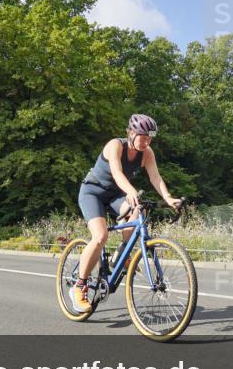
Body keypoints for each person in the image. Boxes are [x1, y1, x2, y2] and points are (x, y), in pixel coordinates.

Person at [71, 114, 182, 312]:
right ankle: (79, 287)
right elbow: (117, 173)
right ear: (131, 133)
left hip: (115, 195)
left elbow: (155, 177)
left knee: (139, 209)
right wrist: (131, 191)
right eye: (143, 137)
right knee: (100, 237)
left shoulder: (147, 153)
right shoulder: (115, 145)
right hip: (92, 193)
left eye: (149, 138)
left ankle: (122, 253)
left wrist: (168, 198)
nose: (146, 142)